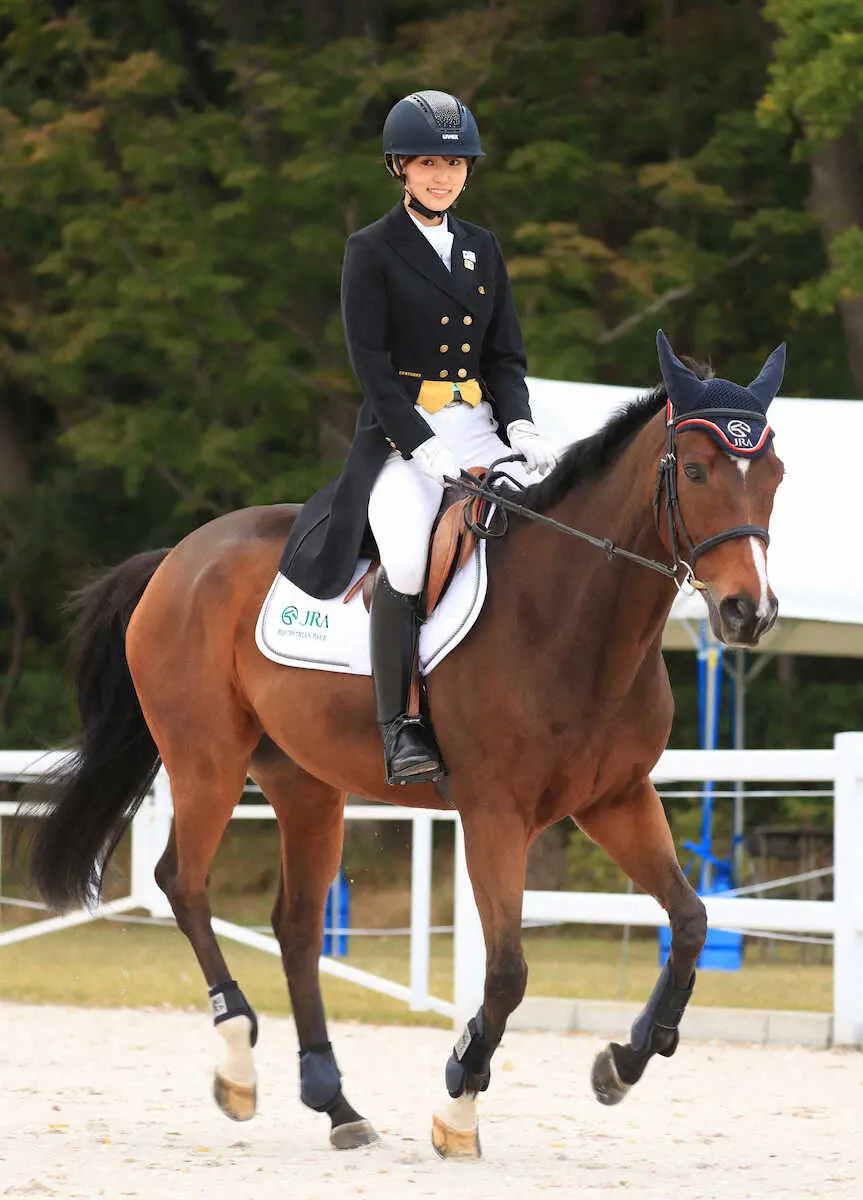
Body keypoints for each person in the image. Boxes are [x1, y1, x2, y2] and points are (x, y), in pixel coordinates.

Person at [281, 89, 557, 786]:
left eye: (456, 163)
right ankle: (400, 727)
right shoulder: (369, 250)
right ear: (400, 167)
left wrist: (519, 421)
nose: (444, 176)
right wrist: (416, 442)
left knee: (550, 531)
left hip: (480, 429)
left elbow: (504, 356)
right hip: (402, 433)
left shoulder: (481, 249)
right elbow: (368, 364)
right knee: (405, 561)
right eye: (429, 162)